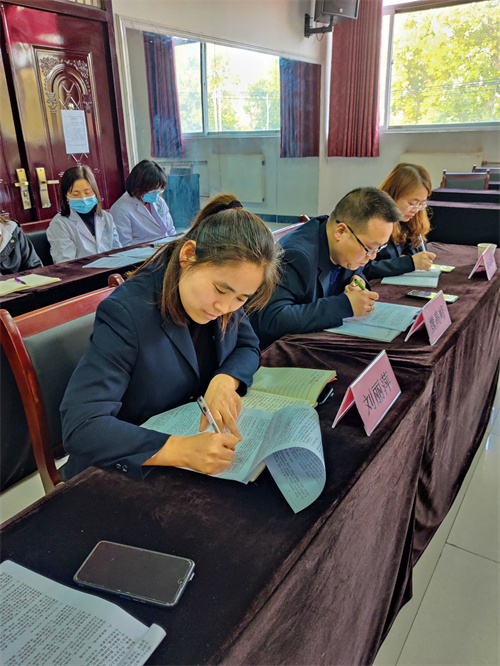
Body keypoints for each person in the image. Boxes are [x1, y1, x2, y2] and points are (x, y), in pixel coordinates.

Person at [61, 194, 281, 481]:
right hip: (121, 466)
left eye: (241, 298)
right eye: (220, 290)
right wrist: (181, 450)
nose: (225, 307)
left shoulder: (227, 296)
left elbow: (248, 344)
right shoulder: (127, 313)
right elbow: (81, 426)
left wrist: (225, 381)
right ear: (188, 255)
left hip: (184, 444)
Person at [250, 187, 401, 349]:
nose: (373, 257)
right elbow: (272, 319)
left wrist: (358, 281)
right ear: (340, 231)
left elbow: (358, 272)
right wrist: (344, 305)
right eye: (370, 248)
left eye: (379, 248)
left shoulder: (346, 245)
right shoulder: (298, 255)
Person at [363, 163, 437, 280]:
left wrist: (407, 257)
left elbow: (418, 248)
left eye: (421, 204)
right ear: (392, 196)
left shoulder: (411, 217)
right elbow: (364, 267)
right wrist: (407, 263)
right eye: (412, 203)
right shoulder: (372, 219)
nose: (416, 210)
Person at [47, 165, 121, 263]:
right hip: (81, 271)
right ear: (66, 197)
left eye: (87, 192)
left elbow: (118, 252)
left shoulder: (106, 217)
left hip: (112, 268)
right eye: (75, 194)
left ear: (95, 192)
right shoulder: (59, 223)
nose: (83, 198)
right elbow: (66, 263)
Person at [110, 159, 176, 246]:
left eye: (159, 191)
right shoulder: (120, 209)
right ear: (139, 187)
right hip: (142, 252)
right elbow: (125, 245)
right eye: (153, 192)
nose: (157, 195)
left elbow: (171, 231)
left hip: (164, 247)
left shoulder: (159, 201)